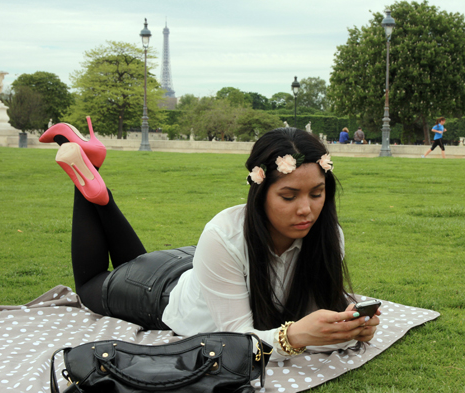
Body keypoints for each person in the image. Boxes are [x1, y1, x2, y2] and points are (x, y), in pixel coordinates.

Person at [39, 121, 380, 361]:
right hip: (161, 294)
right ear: (259, 193)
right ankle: (83, 174)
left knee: (132, 264)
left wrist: (346, 326)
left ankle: (94, 173)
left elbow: (313, 306)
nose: (306, 209)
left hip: (198, 268)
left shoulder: (328, 234)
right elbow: (234, 342)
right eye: (289, 196)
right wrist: (291, 338)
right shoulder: (224, 234)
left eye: (317, 193)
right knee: (89, 287)